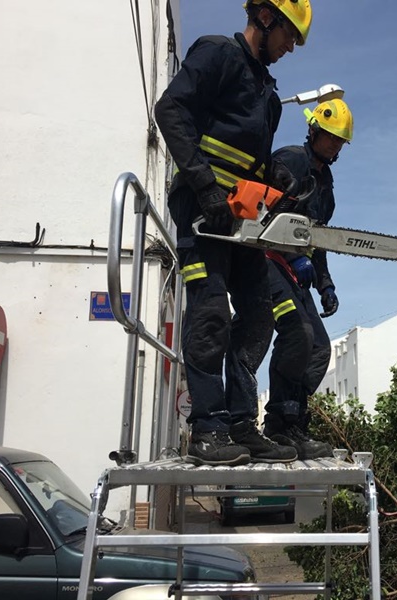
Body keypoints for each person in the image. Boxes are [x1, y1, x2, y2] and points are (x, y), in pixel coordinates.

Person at [153, 0, 313, 466]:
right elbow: (170, 110)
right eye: (289, 34)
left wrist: (274, 177)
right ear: (265, 17)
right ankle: (207, 427)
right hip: (203, 211)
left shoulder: (268, 95)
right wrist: (205, 188)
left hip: (242, 219)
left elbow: (251, 162)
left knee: (259, 317)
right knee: (211, 315)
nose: (290, 47)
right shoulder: (218, 53)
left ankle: (241, 423)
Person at [261, 98, 354, 459]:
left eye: (339, 141)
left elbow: (319, 239)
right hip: (266, 262)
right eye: (330, 137)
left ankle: (294, 422)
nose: (334, 145)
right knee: (298, 335)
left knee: (318, 349)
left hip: (296, 274)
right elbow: (265, 215)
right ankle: (277, 424)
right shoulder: (289, 160)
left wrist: (325, 284)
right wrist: (290, 254)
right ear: (314, 131)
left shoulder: (326, 184)